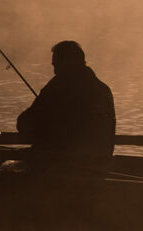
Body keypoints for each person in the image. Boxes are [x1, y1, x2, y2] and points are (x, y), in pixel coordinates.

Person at [16, 41, 116, 175]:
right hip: (99, 166)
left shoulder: (58, 87)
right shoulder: (103, 89)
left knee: (9, 166)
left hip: (61, 167)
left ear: (67, 63)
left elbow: (25, 123)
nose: (55, 70)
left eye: (56, 65)